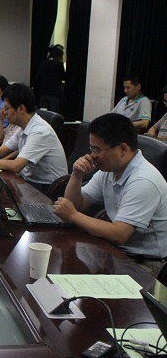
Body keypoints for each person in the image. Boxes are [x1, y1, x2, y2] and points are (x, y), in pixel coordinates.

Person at [53, 113, 167, 277]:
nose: (92, 155)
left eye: (97, 150)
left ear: (123, 149)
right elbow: (77, 205)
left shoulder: (144, 180)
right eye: (91, 149)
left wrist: (73, 215)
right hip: (118, 250)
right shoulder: (109, 170)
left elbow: (119, 234)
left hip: (146, 262)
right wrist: (77, 175)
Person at [0, 83, 67, 193]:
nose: (4, 113)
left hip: (48, 189)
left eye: (6, 109)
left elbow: (16, 165)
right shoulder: (25, 127)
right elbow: (0, 151)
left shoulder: (40, 131)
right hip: (29, 181)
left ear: (21, 108)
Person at [33, 44, 66, 112]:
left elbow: (37, 78)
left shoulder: (43, 63)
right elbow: (64, 77)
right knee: (53, 115)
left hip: (43, 93)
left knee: (43, 114)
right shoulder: (59, 65)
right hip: (54, 94)